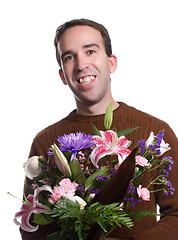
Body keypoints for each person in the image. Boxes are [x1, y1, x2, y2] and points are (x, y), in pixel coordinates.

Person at [21, 19, 178, 240]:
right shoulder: (46, 142)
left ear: (111, 62)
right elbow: (33, 228)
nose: (81, 64)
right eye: (69, 57)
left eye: (90, 51)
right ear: (62, 76)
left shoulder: (155, 134)